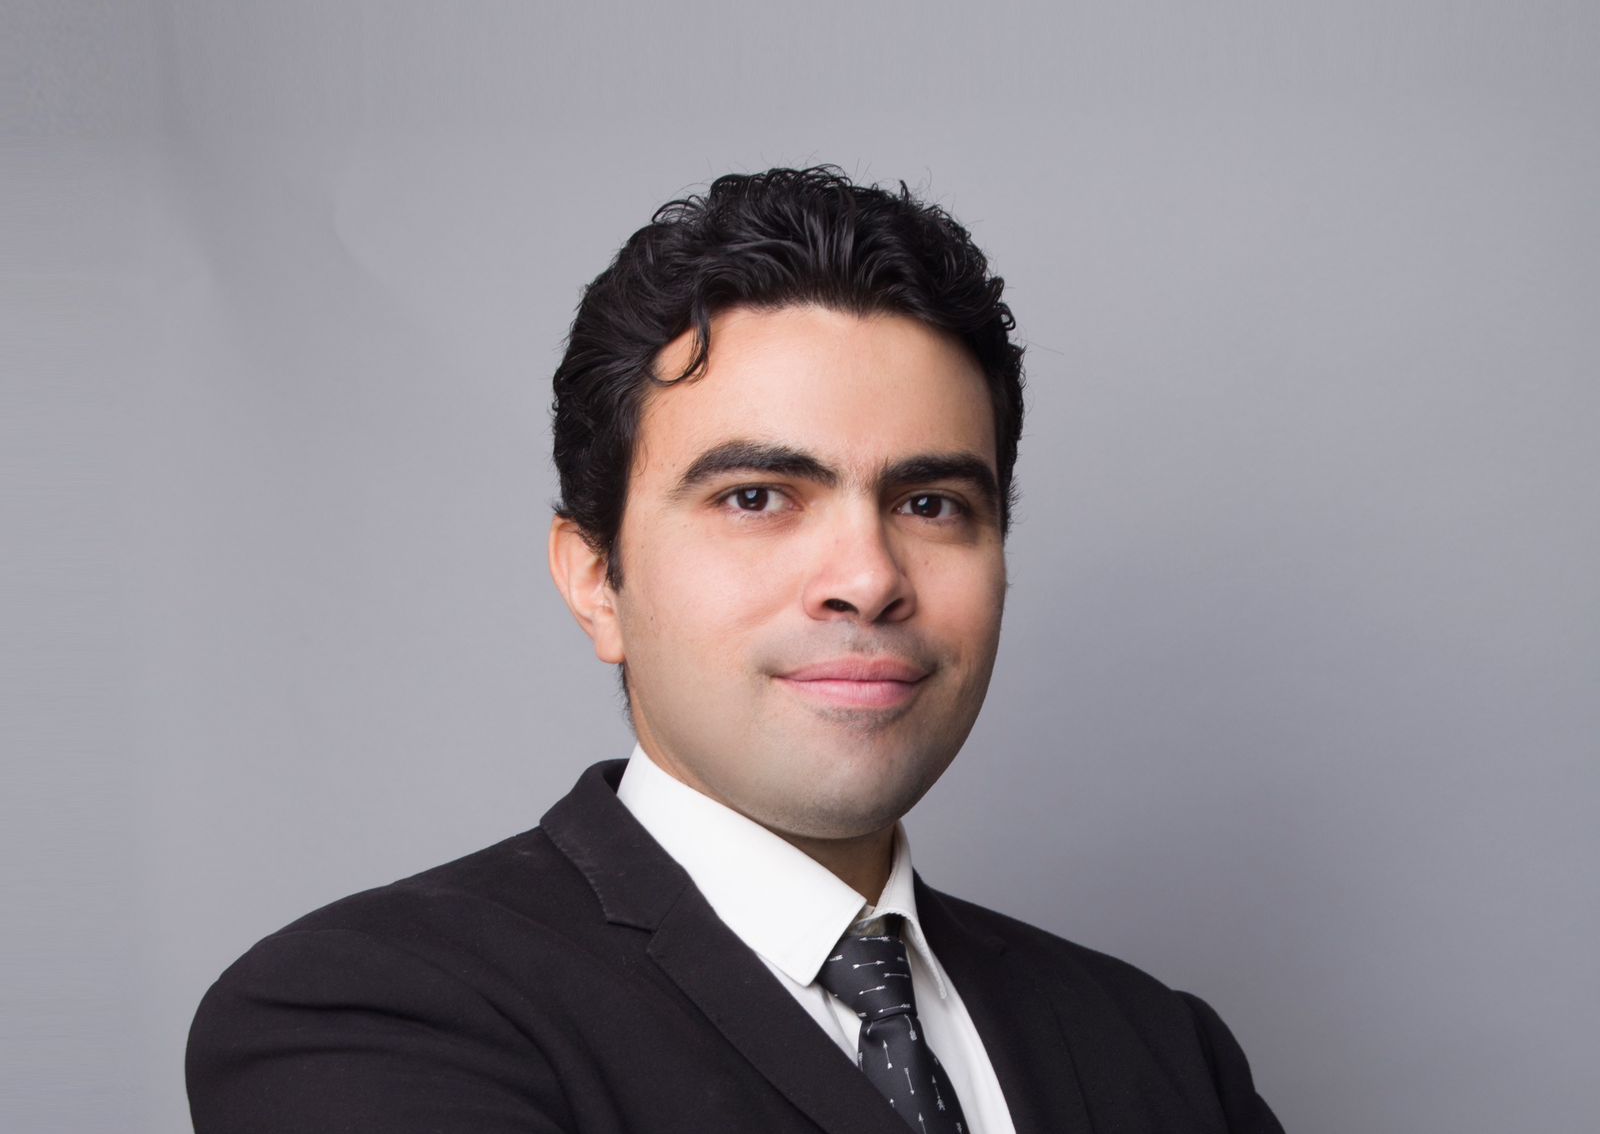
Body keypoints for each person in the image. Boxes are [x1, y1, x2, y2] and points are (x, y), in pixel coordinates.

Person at [187, 166, 1284, 1134]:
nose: (868, 576)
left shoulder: (1159, 1049)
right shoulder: (369, 1011)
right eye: (757, 496)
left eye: (932, 503)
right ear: (596, 578)